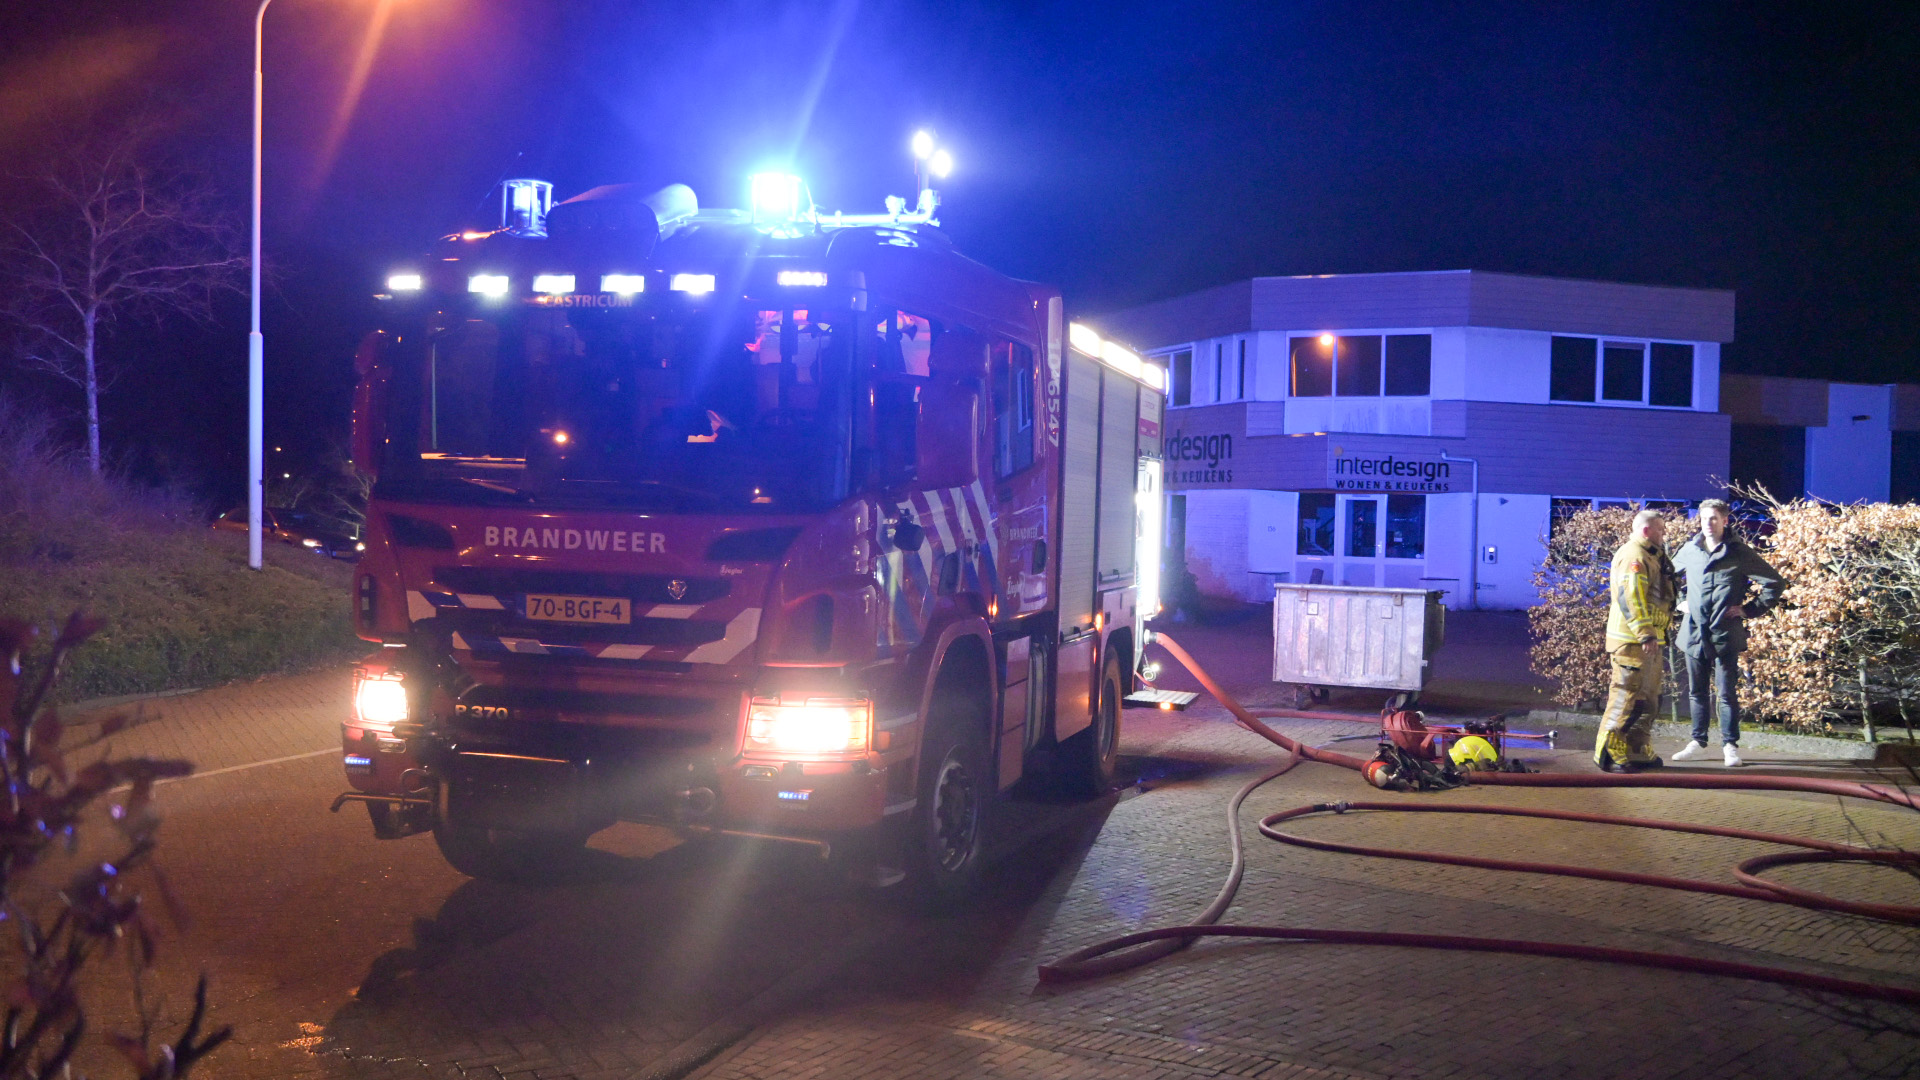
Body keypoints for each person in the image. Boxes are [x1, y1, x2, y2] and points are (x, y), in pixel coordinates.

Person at [1671, 498, 1784, 767]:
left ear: (1725, 521)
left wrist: (1748, 610)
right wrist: (1679, 601)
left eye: (1713, 518)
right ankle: (1697, 742)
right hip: (1694, 633)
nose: (1708, 524)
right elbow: (1666, 576)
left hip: (1725, 633)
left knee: (1726, 693)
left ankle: (1730, 746)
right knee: (1696, 692)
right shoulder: (1690, 549)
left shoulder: (1739, 553)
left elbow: (1775, 583)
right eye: (1703, 518)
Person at [1594, 509, 1677, 773]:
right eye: (1661, 530)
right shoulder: (1635, 556)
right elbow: (1631, 598)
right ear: (1646, 531)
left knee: (1648, 700)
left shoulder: (1652, 555)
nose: (1664, 534)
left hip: (1648, 640)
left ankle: (1636, 748)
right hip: (1632, 641)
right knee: (1627, 698)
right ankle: (1608, 752)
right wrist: (1646, 634)